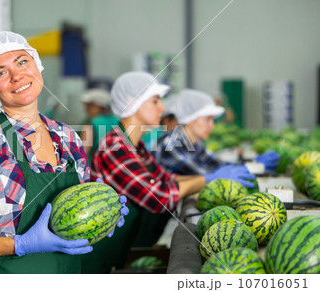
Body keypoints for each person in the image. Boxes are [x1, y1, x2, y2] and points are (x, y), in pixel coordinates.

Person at [0, 31, 127, 274]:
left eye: (22, 62)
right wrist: (20, 244)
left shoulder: (68, 138)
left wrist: (104, 211)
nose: (17, 76)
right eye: (0, 72)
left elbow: (80, 212)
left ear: (37, 66)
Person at [89, 72, 255, 271]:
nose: (163, 107)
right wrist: (208, 179)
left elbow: (166, 179)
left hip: (119, 251)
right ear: (133, 103)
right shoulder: (115, 148)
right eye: (155, 101)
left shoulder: (137, 147)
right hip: (97, 257)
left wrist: (209, 178)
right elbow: (160, 196)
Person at [153, 89, 280, 180]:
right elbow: (203, 174)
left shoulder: (196, 144)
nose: (212, 126)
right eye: (207, 119)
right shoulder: (171, 143)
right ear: (190, 119)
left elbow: (217, 164)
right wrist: (248, 170)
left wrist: (253, 164)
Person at [79, 88, 119, 164]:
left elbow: (83, 153)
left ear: (98, 106)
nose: (86, 110)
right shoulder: (119, 121)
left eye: (89, 107)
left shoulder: (91, 123)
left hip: (96, 169)